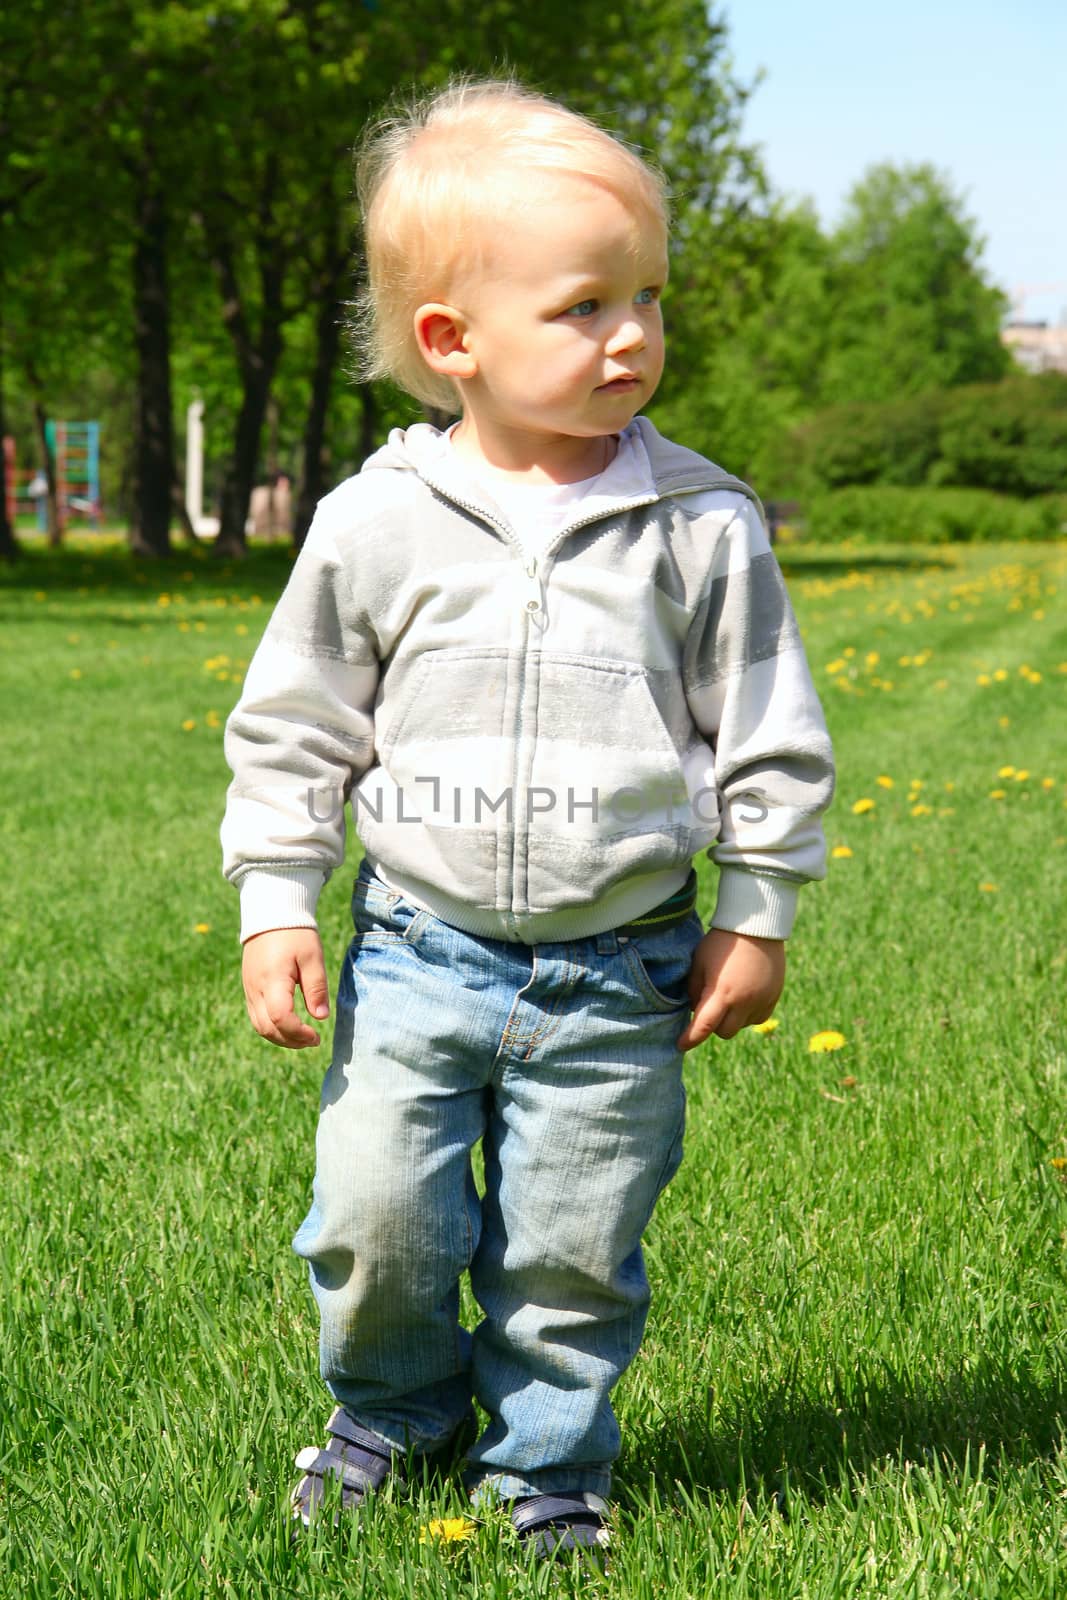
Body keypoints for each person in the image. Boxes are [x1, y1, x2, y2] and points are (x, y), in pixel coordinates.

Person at [221, 78, 834, 1562]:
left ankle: (550, 1460)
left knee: (573, 1248)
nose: (633, 336)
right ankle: (388, 1406)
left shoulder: (703, 525)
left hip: (616, 969)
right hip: (417, 954)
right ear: (454, 339)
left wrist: (755, 914)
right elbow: (296, 724)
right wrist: (276, 901)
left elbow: (769, 737)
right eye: (584, 307)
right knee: (378, 1224)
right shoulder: (376, 522)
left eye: (647, 299)